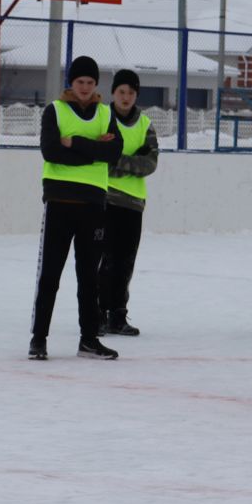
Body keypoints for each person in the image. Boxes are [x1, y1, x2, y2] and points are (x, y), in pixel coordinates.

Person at [30, 55, 121, 361]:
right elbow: (51, 152)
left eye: (90, 83)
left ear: (96, 85)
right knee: (50, 275)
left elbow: (113, 152)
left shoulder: (105, 113)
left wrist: (76, 144)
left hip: (93, 203)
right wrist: (93, 149)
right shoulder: (55, 110)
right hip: (60, 201)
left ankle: (89, 339)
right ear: (71, 82)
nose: (84, 88)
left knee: (89, 277)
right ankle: (39, 338)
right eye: (80, 82)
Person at [99, 69, 159, 337]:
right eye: (121, 92)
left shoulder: (145, 124)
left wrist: (118, 160)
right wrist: (130, 161)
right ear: (113, 93)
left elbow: (150, 163)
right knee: (104, 260)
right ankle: (98, 313)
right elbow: (99, 156)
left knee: (126, 262)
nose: (126, 97)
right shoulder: (102, 119)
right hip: (104, 199)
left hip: (133, 204)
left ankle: (118, 315)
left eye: (131, 93)